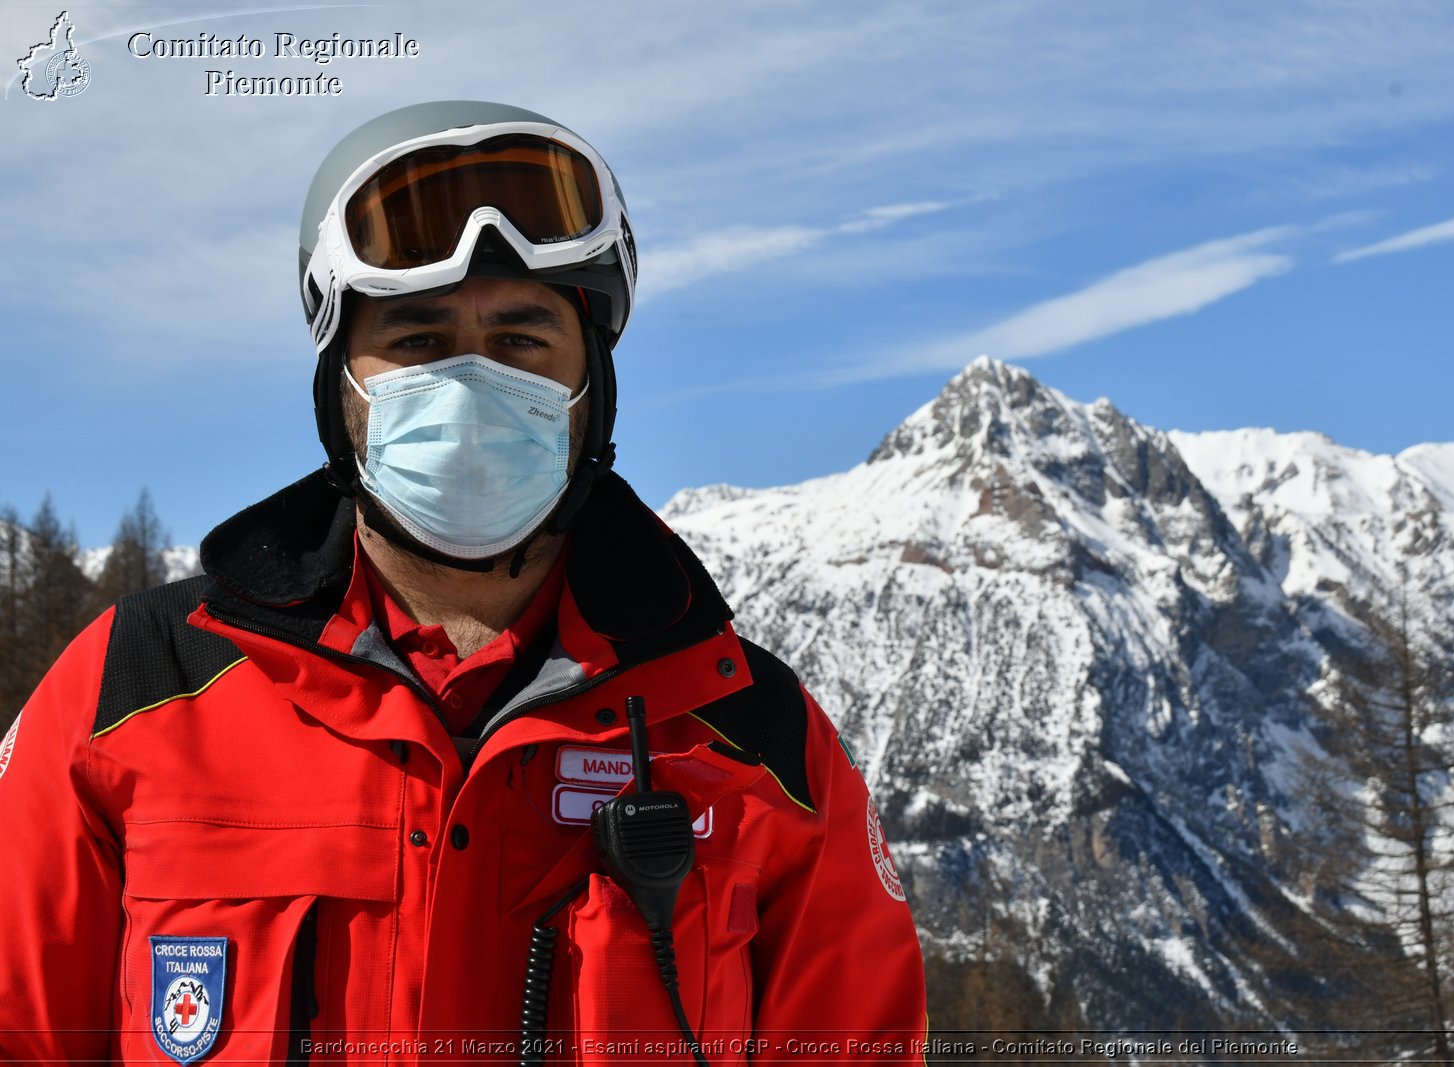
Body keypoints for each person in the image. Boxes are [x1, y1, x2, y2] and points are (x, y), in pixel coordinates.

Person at [0, 100, 927, 1065]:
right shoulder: (131, 694)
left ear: (588, 390)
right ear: (341, 390)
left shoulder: (757, 740)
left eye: (523, 340)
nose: (472, 384)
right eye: (417, 342)